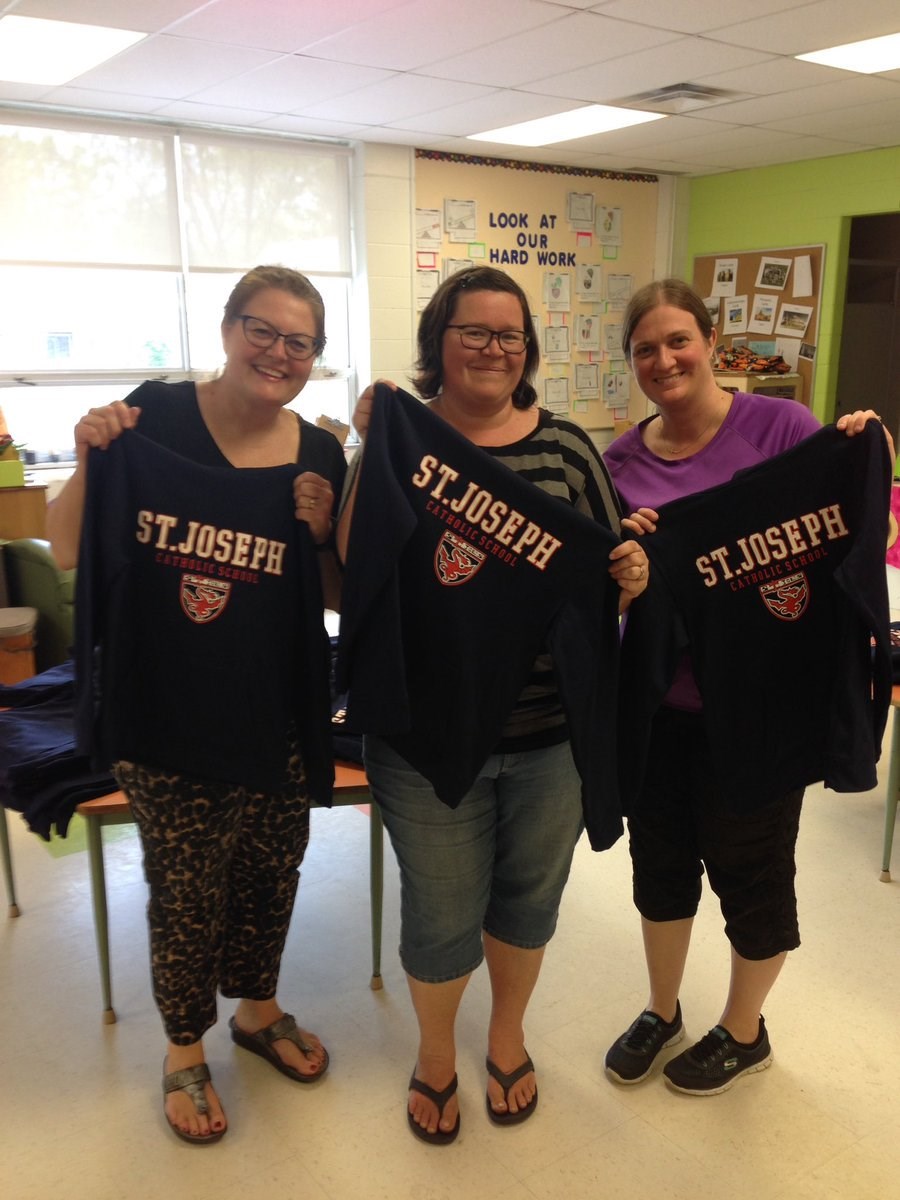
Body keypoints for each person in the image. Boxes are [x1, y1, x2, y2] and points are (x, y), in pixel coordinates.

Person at [338, 266, 649, 1144]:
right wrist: (373, 446)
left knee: (526, 898)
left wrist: (629, 576)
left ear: (529, 351)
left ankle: (505, 1036)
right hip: (422, 733)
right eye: (473, 332)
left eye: (509, 335)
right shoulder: (402, 440)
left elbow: (607, 575)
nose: (492, 349)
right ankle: (436, 1054)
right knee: (440, 910)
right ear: (439, 342)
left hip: (549, 734)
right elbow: (357, 567)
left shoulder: (565, 449)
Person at [46, 265, 346, 1144]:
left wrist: (323, 533)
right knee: (186, 892)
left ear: (314, 357)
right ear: (225, 329)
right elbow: (67, 545)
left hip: (279, 710)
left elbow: (332, 594)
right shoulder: (151, 420)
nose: (278, 353)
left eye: (300, 342)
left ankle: (259, 1012)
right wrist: (93, 453)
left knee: (268, 874)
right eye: (262, 329)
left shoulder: (319, 454)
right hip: (165, 709)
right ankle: (184, 1051)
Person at [602, 277, 892, 1097]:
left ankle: (744, 1029)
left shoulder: (782, 427)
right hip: (661, 705)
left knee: (752, 872)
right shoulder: (621, 463)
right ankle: (663, 1010)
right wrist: (628, 563)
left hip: (764, 709)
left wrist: (867, 450)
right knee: (659, 867)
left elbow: (860, 522)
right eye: (645, 350)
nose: (664, 360)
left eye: (677, 340)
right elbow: (608, 593)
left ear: (709, 340)